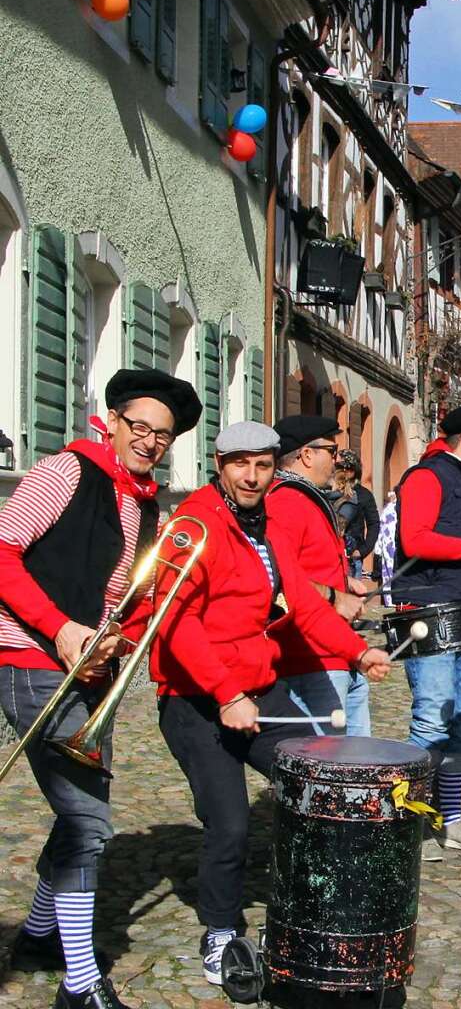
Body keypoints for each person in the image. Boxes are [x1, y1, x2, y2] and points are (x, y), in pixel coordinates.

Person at [150, 421, 390, 986]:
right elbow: (175, 625)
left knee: (317, 782)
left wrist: (356, 654)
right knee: (230, 822)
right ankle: (220, 931)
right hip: (196, 699)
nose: (252, 476)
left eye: (262, 465)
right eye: (240, 465)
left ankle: (313, 904)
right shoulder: (192, 526)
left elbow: (303, 604)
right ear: (219, 465)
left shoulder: (271, 525)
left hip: (259, 688)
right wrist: (226, 693)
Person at [0, 369, 201, 1009]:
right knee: (89, 821)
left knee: (76, 810)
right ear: (110, 419)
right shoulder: (65, 471)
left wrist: (121, 638)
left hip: (92, 669)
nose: (149, 441)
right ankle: (83, 984)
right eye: (139, 426)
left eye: (162, 436)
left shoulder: (142, 499)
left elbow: (127, 594)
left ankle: (37, 935)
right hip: (32, 659)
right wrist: (60, 630)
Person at [393, 404, 461, 859]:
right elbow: (414, 539)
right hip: (429, 606)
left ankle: (452, 817)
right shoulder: (426, 477)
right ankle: (412, 821)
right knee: (430, 720)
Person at [266, 415, 370, 736]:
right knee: (325, 765)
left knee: (356, 764)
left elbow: (310, 562)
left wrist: (345, 581)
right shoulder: (285, 501)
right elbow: (279, 576)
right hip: (310, 656)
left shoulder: (306, 496)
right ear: (307, 455)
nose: (337, 460)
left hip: (337, 651)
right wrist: (334, 596)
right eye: (332, 449)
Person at [335, 449, 380, 579]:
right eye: (340, 467)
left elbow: (374, 524)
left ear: (354, 471)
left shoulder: (363, 495)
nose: (344, 471)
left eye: (348, 468)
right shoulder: (328, 490)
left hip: (352, 560)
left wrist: (362, 550)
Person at [374, 490, 398, 607]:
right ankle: (394, 600)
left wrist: (378, 548)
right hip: (394, 544)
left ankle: (389, 600)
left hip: (387, 544)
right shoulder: (398, 509)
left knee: (387, 574)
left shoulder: (387, 510)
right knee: (394, 572)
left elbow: (381, 530)